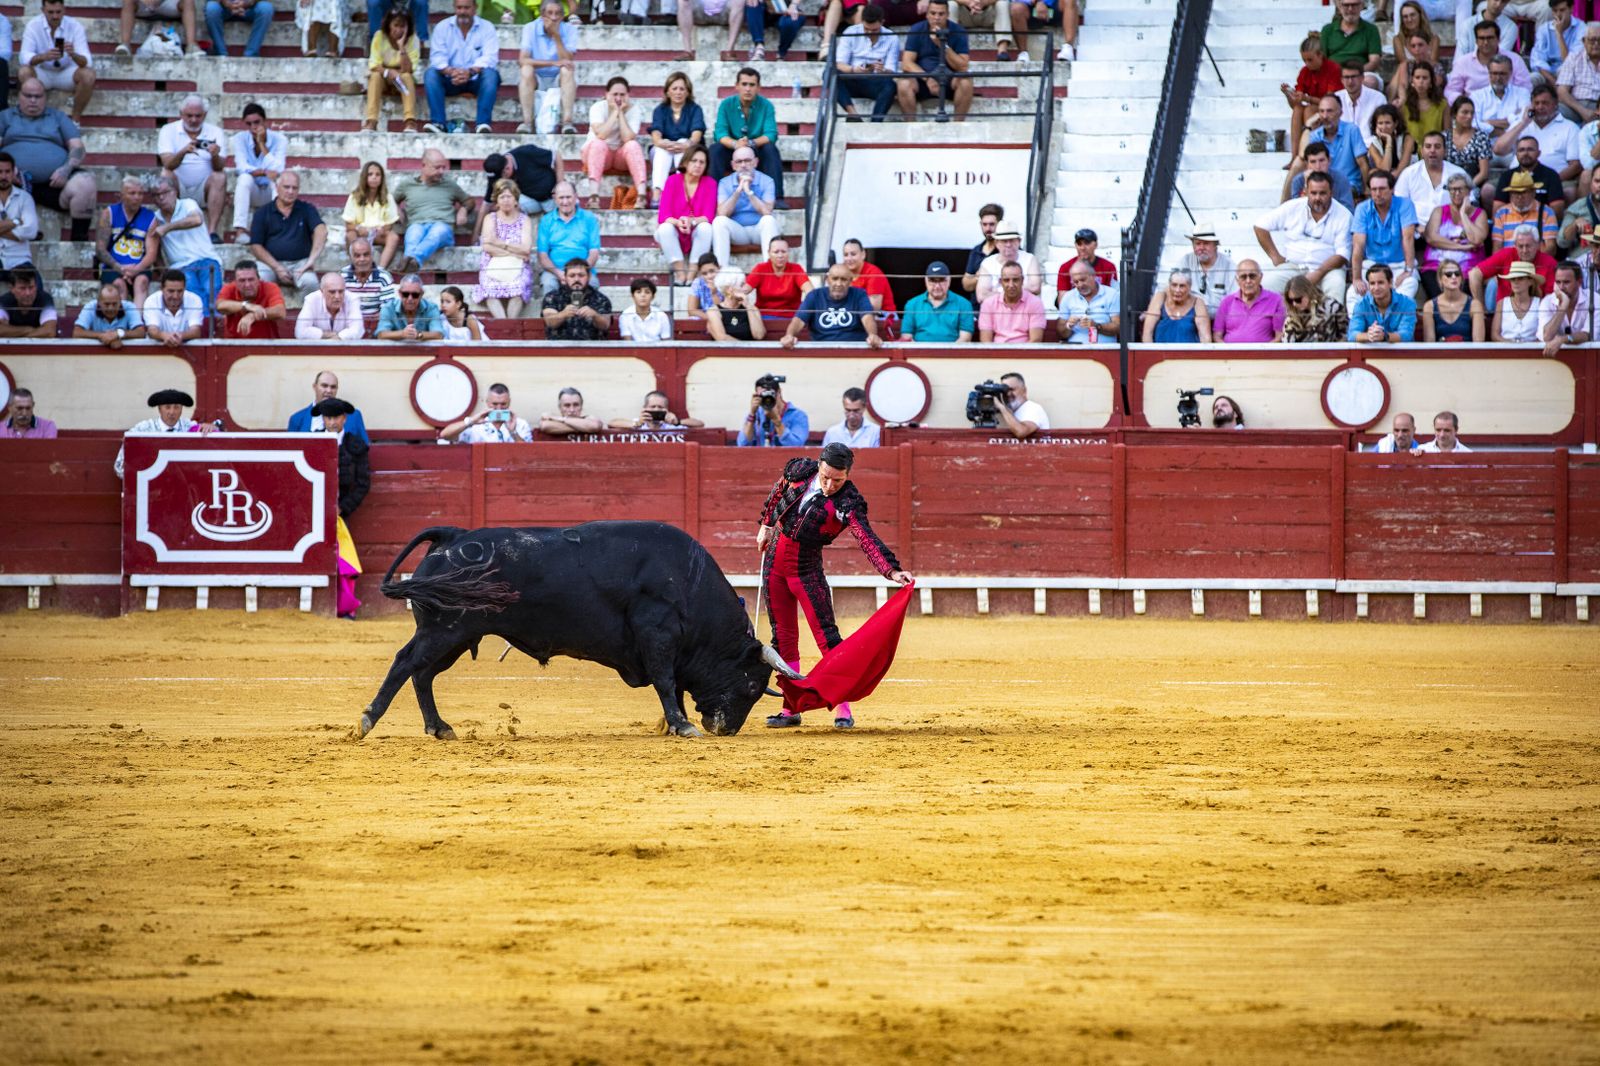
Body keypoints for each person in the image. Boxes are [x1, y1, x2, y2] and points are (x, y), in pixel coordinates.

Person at [757, 442, 913, 729]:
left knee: (828, 639)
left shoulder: (848, 502)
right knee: (783, 637)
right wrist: (766, 526)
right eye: (826, 477)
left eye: (838, 480)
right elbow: (777, 493)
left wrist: (891, 571)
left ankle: (843, 708)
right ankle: (790, 708)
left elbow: (866, 538)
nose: (830, 485)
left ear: (848, 476)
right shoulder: (799, 471)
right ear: (819, 466)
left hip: (807, 572)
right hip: (774, 569)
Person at [0, 80, 97, 243]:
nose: (33, 100)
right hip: (11, 184)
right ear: (19, 96)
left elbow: (78, 148)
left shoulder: (58, 117)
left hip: (54, 184)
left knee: (86, 183)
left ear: (45, 98)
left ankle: (79, 243)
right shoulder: (5, 117)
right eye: (28, 96)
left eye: (38, 96)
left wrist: (65, 170)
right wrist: (6, 171)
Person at [1254, 172, 1353, 305]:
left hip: (1329, 269)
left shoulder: (1344, 215)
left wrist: (1318, 273)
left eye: (1322, 193)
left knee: (1336, 288)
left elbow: (1342, 254)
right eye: (1313, 193)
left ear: (1331, 192)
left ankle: (1331, 326)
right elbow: (1260, 226)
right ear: (1306, 191)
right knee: (1266, 287)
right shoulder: (1293, 207)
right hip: (1294, 265)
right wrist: (1275, 257)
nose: (1318, 198)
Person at [314, 397, 369, 620]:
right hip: (313, 513)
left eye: (336, 417)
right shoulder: (312, 442)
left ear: (344, 418)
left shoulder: (356, 445)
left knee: (342, 558)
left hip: (341, 515)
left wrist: (342, 508)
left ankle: (345, 608)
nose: (332, 422)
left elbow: (363, 483)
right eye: (328, 417)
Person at [149, 176, 224, 318]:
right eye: (156, 195)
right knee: (196, 298)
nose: (161, 198)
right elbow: (155, 249)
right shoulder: (155, 218)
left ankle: (214, 333)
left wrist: (167, 227)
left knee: (212, 294)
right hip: (181, 266)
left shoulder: (187, 204)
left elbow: (196, 219)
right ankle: (205, 332)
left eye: (165, 192)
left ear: (175, 191)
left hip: (206, 259)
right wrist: (163, 270)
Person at [424, 0, 502, 135]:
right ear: (454, 8)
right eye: (459, 7)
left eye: (466, 8)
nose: (462, 11)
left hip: (476, 80)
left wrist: (470, 72)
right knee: (431, 74)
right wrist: (451, 71)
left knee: (491, 74)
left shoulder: (487, 27)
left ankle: (482, 124)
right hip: (450, 80)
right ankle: (438, 124)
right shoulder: (442, 27)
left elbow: (490, 58)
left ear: (475, 8)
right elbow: (437, 58)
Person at [156, 95, 226, 242]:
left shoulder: (216, 132)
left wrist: (214, 155)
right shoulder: (168, 130)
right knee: (166, 174)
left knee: (220, 177)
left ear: (205, 115)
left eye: (198, 116)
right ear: (181, 114)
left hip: (205, 187)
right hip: (178, 185)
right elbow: (167, 163)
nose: (193, 120)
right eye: (189, 115)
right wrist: (183, 151)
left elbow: (219, 167)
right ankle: (169, 226)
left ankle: (212, 232)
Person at [1493, 84, 1583, 197]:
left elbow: (1575, 166)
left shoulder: (1570, 127)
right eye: (1536, 103)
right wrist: (1523, 123)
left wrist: (1551, 181)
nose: (1540, 107)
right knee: (1488, 190)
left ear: (1555, 104)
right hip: (1517, 179)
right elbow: (1498, 150)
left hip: (1554, 179)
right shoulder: (1522, 124)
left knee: (1569, 192)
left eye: (1545, 103)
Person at [1347, 169, 1420, 308]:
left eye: (1382, 189)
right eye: (1373, 189)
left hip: (1399, 264)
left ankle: (1388, 327)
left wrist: (1408, 269)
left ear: (1392, 189)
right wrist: (1356, 278)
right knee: (1353, 294)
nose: (1377, 193)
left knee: (1409, 285)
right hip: (1372, 265)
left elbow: (1408, 237)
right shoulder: (1362, 209)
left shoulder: (1405, 204)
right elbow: (1358, 245)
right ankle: (1359, 330)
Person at [712, 68, 784, 206]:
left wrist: (750, 143)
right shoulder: (726, 104)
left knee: (770, 149)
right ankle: (713, 196)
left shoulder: (766, 105)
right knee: (716, 150)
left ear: (758, 87)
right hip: (732, 149)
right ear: (737, 86)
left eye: (752, 85)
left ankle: (778, 197)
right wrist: (735, 144)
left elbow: (771, 134)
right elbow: (720, 134)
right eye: (744, 84)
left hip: (756, 149)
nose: (748, 89)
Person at [394, 149, 474, 272]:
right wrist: (396, 208)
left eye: (443, 167)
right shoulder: (407, 185)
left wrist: (464, 209)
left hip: (443, 226)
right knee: (413, 235)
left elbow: (469, 201)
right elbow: (389, 200)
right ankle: (411, 263)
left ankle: (411, 260)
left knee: (436, 232)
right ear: (423, 166)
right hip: (417, 224)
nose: (441, 171)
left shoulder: (449, 184)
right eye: (437, 168)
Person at [249, 170, 326, 296]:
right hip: (269, 263)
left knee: (311, 283)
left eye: (294, 188)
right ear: (276, 187)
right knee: (259, 280)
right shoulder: (263, 212)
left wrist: (311, 261)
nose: (290, 191)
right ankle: (261, 315)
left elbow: (321, 230)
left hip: (300, 263)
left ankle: (309, 315)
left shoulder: (306, 209)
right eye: (286, 187)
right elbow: (255, 246)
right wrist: (277, 267)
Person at [113, 387, 218, 478]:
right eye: (167, 407)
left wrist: (211, 428)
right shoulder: (143, 430)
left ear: (181, 409)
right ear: (159, 409)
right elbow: (120, 467)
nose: (172, 412)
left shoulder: (190, 428)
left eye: (176, 407)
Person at [895, 0, 973, 120]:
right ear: (927, 14)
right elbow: (907, 63)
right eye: (933, 13)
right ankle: (910, 127)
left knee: (966, 83)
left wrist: (942, 45)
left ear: (948, 14)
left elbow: (963, 66)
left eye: (941, 14)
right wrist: (928, 77)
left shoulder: (958, 31)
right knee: (904, 83)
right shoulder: (917, 29)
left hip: (949, 79)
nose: (936, 17)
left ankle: (958, 126)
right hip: (923, 79)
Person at [19, 0, 95, 122]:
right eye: (50, 12)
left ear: (64, 9)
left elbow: (87, 62)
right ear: (43, 10)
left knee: (88, 75)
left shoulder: (75, 26)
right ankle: (32, 119)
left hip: (67, 73)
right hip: (42, 73)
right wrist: (43, 57)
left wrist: (73, 54)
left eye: (58, 12)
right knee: (24, 72)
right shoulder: (33, 25)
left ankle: (75, 120)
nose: (55, 16)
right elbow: (24, 58)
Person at [582, 76, 649, 209]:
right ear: (606, 94)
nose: (618, 98)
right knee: (598, 143)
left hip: (620, 155)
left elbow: (627, 138)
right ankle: (594, 196)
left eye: (622, 94)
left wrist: (621, 114)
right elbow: (601, 134)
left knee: (633, 145)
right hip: (596, 153)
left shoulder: (634, 110)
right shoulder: (597, 108)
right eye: (615, 94)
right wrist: (614, 113)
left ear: (628, 95)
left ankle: (641, 196)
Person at [95, 175, 160, 309]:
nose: (137, 197)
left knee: (141, 282)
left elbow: (152, 253)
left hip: (140, 266)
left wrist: (136, 270)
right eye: (132, 193)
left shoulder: (150, 218)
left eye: (140, 194)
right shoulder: (109, 213)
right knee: (119, 285)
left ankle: (137, 323)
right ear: (121, 195)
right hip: (113, 267)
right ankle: (121, 323)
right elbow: (100, 249)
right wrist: (120, 268)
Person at [1421, 173, 1489, 299]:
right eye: (1452, 189)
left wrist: (1463, 214)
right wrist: (1462, 247)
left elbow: (1477, 239)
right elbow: (1431, 238)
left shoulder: (1479, 214)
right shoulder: (1439, 211)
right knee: (1435, 289)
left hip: (1468, 267)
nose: (1455, 193)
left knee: (1463, 295)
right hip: (1436, 265)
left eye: (1460, 189)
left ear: (1468, 191)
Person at [473, 178, 534, 318]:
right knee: (488, 287)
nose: (506, 200)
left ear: (516, 199)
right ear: (497, 200)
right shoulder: (490, 218)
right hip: (493, 263)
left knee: (518, 287)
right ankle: (503, 324)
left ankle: (510, 325)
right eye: (502, 197)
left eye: (509, 196)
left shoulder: (524, 220)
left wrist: (499, 243)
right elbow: (487, 246)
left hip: (518, 265)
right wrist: (513, 252)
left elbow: (526, 248)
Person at [782, 264, 882, 348]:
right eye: (834, 279)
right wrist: (789, 335)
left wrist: (872, 335)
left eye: (843, 279)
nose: (838, 283)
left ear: (850, 281)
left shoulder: (859, 294)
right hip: (821, 351)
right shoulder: (814, 295)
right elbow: (799, 320)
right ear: (827, 279)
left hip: (853, 350)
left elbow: (867, 318)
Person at [711, 144, 780, 267]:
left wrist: (749, 192)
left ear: (755, 162)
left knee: (769, 220)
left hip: (759, 230)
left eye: (747, 160)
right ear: (733, 165)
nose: (743, 165)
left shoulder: (767, 181)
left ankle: (769, 270)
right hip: (737, 231)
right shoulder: (724, 183)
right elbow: (722, 213)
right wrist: (738, 191)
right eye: (739, 162)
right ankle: (721, 271)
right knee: (719, 221)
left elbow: (767, 211)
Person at [229, 102, 287, 247]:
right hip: (253, 190)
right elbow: (241, 167)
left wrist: (262, 144)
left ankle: (276, 231)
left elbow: (278, 168)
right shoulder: (239, 139)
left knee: (278, 182)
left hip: (270, 191)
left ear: (265, 121)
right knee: (244, 179)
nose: (253, 127)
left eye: (257, 122)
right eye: (249, 124)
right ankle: (240, 231)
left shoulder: (280, 140)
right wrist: (263, 171)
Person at [656, 144, 716, 284]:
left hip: (695, 230)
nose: (698, 165)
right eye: (694, 161)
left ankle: (692, 274)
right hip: (675, 230)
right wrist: (679, 222)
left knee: (706, 227)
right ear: (685, 162)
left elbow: (709, 216)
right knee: (665, 228)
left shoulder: (710, 183)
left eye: (702, 162)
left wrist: (692, 221)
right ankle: (680, 274)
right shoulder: (672, 181)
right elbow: (663, 216)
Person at [833, 5, 900, 122]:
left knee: (890, 86)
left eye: (874, 30)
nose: (869, 33)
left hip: (875, 82)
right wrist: (854, 69)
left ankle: (875, 123)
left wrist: (882, 70)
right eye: (866, 29)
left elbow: (891, 71)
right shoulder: (851, 32)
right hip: (852, 78)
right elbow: (839, 64)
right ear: (862, 21)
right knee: (830, 74)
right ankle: (853, 114)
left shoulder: (892, 37)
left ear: (882, 22)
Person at [518, 2, 577, 135]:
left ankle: (567, 122)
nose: (554, 18)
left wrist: (556, 36)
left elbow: (567, 60)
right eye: (550, 13)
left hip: (559, 76)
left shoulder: (569, 29)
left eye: (558, 14)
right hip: (537, 76)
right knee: (526, 69)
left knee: (567, 70)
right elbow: (522, 60)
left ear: (562, 16)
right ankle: (527, 122)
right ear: (541, 15)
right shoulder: (530, 28)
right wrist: (552, 63)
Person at [535, 180, 600, 294]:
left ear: (575, 196)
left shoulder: (589, 218)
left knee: (592, 283)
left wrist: (578, 274)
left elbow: (594, 252)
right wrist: (560, 274)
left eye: (568, 197)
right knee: (548, 284)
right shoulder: (546, 220)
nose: (565, 202)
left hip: (582, 271)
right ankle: (552, 313)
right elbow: (543, 255)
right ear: (555, 198)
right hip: (554, 271)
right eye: (561, 198)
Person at [1284, 34, 1345, 153]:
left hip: (1331, 109)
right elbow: (1295, 104)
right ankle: (1294, 155)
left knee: (1309, 109)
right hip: (1314, 106)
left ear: (1320, 55)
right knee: (1297, 109)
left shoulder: (1333, 69)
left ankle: (1312, 151)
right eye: (1304, 60)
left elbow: (1330, 101)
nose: (1307, 64)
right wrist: (1289, 95)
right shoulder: (1304, 72)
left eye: (1310, 60)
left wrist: (1308, 99)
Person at [1471, 223, 1559, 305]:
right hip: (1504, 312)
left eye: (1528, 246)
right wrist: (1480, 309)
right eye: (1520, 246)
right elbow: (1474, 274)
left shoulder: (1549, 263)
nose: (1524, 251)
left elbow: (1550, 299)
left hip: (1537, 313)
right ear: (1515, 245)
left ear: (1538, 245)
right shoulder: (1506, 255)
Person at [364, 9, 421, 134]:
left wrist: (401, 47)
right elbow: (374, 64)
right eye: (395, 25)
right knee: (375, 76)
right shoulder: (379, 36)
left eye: (402, 26)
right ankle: (371, 120)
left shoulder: (413, 39)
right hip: (383, 77)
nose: (399, 30)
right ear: (389, 25)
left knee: (406, 76)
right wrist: (388, 72)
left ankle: (410, 121)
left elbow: (408, 69)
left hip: (401, 81)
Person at [649, 72, 707, 196]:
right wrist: (663, 143)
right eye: (674, 88)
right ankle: (657, 194)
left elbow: (696, 134)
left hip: (688, 147)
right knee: (661, 151)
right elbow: (656, 135)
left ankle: (682, 193)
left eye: (682, 89)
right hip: (665, 148)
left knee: (683, 146)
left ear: (688, 92)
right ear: (667, 92)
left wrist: (686, 145)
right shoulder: (660, 110)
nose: (678, 92)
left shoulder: (695, 109)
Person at [1447, 19, 1533, 100]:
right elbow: (1451, 91)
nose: (1485, 42)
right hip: (1473, 111)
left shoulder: (1515, 60)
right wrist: (1464, 104)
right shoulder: (1463, 63)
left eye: (1490, 38)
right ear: (1476, 41)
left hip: (1508, 109)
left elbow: (1525, 89)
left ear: (1498, 40)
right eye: (1482, 38)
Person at [1397, 130, 1470, 222]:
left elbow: (1469, 204)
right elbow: (1399, 206)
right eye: (1428, 146)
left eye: (1437, 146)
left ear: (1445, 151)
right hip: (1416, 230)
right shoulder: (1408, 174)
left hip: (1450, 229)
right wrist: (1414, 227)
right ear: (1422, 151)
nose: (1432, 150)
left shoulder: (1459, 174)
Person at [1473, 55, 1531, 170]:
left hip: (1513, 150)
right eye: (1494, 73)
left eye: (1502, 74)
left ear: (1510, 73)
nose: (1498, 78)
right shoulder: (1477, 96)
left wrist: (1488, 122)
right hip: (1485, 150)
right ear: (1489, 73)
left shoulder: (1522, 93)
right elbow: (1474, 125)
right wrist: (1510, 122)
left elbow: (1523, 121)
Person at [342, 162, 401, 272]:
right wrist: (360, 229)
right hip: (360, 233)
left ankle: (381, 270)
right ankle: (357, 267)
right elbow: (349, 224)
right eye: (370, 174)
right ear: (365, 177)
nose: (374, 177)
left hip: (379, 234)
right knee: (350, 235)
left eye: (378, 175)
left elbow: (389, 224)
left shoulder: (387, 197)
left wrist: (382, 230)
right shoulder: (354, 197)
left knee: (393, 237)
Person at [1212, 259, 1286, 343]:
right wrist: (1229, 354)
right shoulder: (1227, 301)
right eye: (1243, 277)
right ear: (1237, 280)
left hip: (1263, 354)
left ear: (1260, 277)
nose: (1248, 281)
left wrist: (1262, 353)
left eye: (1252, 276)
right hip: (1231, 355)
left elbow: (1280, 336)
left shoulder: (1276, 299)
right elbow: (1217, 335)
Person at [900, 261, 973, 342]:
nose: (937, 286)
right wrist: (919, 354)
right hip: (919, 353)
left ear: (949, 280)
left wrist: (950, 354)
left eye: (942, 280)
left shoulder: (964, 304)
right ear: (926, 281)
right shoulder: (912, 304)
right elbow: (907, 336)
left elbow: (965, 338)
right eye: (932, 280)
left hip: (952, 353)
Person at [288, 371, 370, 443]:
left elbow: (365, 447)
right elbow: (291, 450)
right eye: (324, 386)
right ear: (314, 387)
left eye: (333, 387)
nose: (329, 391)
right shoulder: (297, 419)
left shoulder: (353, 415)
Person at [541, 258, 612, 340]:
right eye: (572, 276)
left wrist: (595, 315)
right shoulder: (552, 297)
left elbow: (606, 325)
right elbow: (550, 322)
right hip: (560, 348)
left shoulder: (600, 298)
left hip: (592, 348)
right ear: (565, 277)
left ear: (589, 277)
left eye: (581, 275)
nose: (576, 279)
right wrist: (563, 314)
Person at [1494, 136, 1568, 215]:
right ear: (1516, 154)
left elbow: (1557, 209)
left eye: (1530, 149)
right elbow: (1498, 208)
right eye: (1521, 150)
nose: (1525, 153)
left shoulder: (1551, 175)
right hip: (1512, 221)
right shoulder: (1506, 176)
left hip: (1542, 223)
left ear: (1539, 153)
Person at [1346, 262, 1418, 342]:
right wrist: (1369, 335)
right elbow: (1352, 335)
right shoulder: (1361, 305)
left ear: (1390, 283)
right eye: (1372, 283)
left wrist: (1384, 336)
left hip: (1401, 353)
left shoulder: (1407, 304)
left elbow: (1406, 335)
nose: (1376, 288)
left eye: (1380, 283)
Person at [745, 236, 813, 319]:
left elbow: (810, 291)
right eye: (776, 252)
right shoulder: (761, 268)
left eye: (783, 251)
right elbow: (745, 289)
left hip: (792, 318)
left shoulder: (796, 269)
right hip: (764, 317)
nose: (780, 255)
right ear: (769, 253)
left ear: (788, 253)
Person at [216, 259, 286, 339]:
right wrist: (246, 305)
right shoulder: (230, 288)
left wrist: (253, 316)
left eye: (251, 279)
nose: (247, 284)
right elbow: (219, 305)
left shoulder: (270, 287)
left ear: (259, 280)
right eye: (242, 280)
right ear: (235, 282)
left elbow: (280, 312)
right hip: (234, 345)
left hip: (266, 346)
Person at [441, 382, 533, 442]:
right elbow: (444, 435)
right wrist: (471, 421)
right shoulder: (475, 425)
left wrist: (513, 432)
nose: (499, 408)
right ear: (487, 402)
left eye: (503, 404)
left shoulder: (520, 424)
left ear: (509, 402)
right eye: (495, 404)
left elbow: (529, 453)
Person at [1493, 170, 1560, 253]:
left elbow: (1551, 248)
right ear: (1510, 194)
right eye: (1515, 192)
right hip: (1509, 263)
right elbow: (1497, 247)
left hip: (1536, 263)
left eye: (1523, 192)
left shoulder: (1547, 213)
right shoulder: (1501, 213)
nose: (1519, 197)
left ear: (1533, 193)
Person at [485, 143, 558, 218]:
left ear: (507, 169)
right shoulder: (496, 167)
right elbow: (486, 204)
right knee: (504, 205)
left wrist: (560, 185)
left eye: (501, 178)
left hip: (550, 196)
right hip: (530, 199)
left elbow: (557, 156)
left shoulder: (525, 152)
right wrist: (477, 229)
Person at [1420, 258, 1486, 341]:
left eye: (1457, 274)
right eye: (1448, 274)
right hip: (1440, 353)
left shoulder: (1475, 305)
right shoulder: (1429, 306)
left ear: (1461, 278)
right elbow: (1429, 345)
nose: (1454, 277)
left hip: (1467, 353)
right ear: (1440, 280)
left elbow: (1478, 344)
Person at [1174, 226, 1235, 313]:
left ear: (1215, 245)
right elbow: (1170, 288)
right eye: (1198, 244)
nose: (1201, 248)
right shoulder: (1186, 261)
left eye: (1206, 243)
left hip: (1219, 319)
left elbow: (1235, 301)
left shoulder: (1229, 266)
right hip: (1189, 318)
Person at [1319, 0, 1382, 85]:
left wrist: (1353, 73)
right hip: (1333, 73)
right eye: (1346, 5)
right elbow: (1322, 59)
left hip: (1362, 73)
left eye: (1354, 5)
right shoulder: (1328, 30)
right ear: (1340, 6)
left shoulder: (1371, 30)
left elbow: (1374, 61)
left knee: (1370, 81)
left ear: (1362, 6)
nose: (1350, 9)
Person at [1445, 97, 1495, 203]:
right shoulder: (1445, 137)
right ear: (1454, 114)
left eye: (1472, 113)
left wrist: (1465, 187)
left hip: (1473, 182)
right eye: (1465, 112)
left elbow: (1483, 172)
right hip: (1448, 184)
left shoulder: (1481, 137)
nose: (1469, 116)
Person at [1053, 259, 1114, 344]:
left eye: (1083, 280)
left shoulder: (1112, 294)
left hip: (1105, 350)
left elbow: (1119, 327)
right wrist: (1068, 325)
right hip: (1075, 351)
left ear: (1093, 276)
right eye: (1076, 282)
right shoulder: (1068, 297)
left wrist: (1096, 326)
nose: (1080, 285)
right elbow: (1061, 333)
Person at [1142, 268, 1211, 343]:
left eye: (1182, 286)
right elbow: (1147, 334)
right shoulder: (1160, 297)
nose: (1177, 290)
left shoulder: (1198, 303)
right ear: (1169, 285)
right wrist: (1151, 354)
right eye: (1174, 285)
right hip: (1161, 353)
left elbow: (1205, 338)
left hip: (1189, 353)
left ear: (1189, 287)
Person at [737, 374, 809, 445]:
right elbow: (742, 445)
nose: (767, 399)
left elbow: (796, 446)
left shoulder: (798, 416)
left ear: (779, 392)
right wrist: (752, 414)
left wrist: (777, 421)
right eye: (763, 395)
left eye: (770, 394)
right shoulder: (756, 414)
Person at [1539, 259, 1592, 354]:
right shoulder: (1547, 301)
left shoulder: (1594, 299)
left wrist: (1563, 339)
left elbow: (1587, 335)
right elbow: (1547, 336)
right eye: (1558, 282)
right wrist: (1563, 306)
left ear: (1579, 282)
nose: (1561, 287)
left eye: (1566, 282)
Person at [975, 228, 1043, 302]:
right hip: (997, 311)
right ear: (996, 243)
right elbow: (981, 296)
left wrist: (998, 290)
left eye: (1012, 240)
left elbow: (1035, 288)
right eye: (1004, 241)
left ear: (1019, 241)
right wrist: (1019, 291)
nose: (1008, 244)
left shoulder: (1030, 259)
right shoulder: (987, 263)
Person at [341, 237, 397, 327]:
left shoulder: (383, 276)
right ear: (351, 257)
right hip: (348, 325)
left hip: (376, 325)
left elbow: (387, 310)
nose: (362, 259)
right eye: (357, 255)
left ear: (372, 255)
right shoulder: (342, 276)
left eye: (366, 255)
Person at [141, 269, 205, 347]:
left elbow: (195, 331)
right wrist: (164, 336)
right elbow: (152, 330)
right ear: (161, 289)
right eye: (171, 291)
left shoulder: (195, 300)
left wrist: (179, 336)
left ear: (185, 288)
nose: (175, 296)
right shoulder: (151, 301)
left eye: (180, 291)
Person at [1397, 64, 1448, 162]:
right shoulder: (1404, 105)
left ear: (1431, 82)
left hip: (1434, 152)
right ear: (1412, 81)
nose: (1421, 81)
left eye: (1425, 78)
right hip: (1411, 155)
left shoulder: (1443, 105)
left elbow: (1447, 133)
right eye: (1417, 77)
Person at [1287, 141, 1357, 212]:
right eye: (1313, 162)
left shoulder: (1341, 179)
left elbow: (1348, 210)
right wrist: (1306, 184)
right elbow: (1296, 210)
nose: (1318, 166)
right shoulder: (1298, 181)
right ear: (1306, 164)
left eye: (1321, 160)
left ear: (1329, 160)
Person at [1281, 272, 1350, 342]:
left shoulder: (1332, 307)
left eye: (1297, 299)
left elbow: (1345, 334)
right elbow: (1287, 345)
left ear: (1308, 292)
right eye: (1290, 300)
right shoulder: (1292, 316)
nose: (1294, 304)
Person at [296, 272, 366, 340]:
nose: (337, 296)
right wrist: (330, 335)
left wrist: (338, 337)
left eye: (341, 291)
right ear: (322, 291)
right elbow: (300, 332)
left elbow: (357, 330)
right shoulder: (311, 299)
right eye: (332, 292)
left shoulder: (352, 299)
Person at [117, 0, 200, 58]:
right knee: (128, 2)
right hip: (144, 4)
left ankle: (191, 46)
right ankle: (125, 44)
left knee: (188, 2)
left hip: (168, 3)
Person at [73, 282, 146, 346]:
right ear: (99, 303)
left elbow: (141, 332)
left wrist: (118, 334)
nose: (111, 308)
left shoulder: (129, 307)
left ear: (120, 301)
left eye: (114, 304)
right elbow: (77, 332)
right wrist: (103, 336)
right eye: (106, 304)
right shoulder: (90, 306)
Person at [375, 273, 445, 340]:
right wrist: (402, 334)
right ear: (400, 293)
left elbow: (438, 334)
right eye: (405, 294)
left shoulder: (431, 308)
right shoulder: (388, 308)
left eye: (415, 295)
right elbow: (381, 334)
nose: (410, 298)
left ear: (421, 294)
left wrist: (418, 334)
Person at [840, 237, 898, 317]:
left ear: (863, 254)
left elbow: (874, 307)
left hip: (884, 316)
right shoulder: (842, 271)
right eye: (846, 255)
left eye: (853, 254)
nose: (849, 258)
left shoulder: (873, 273)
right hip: (854, 314)